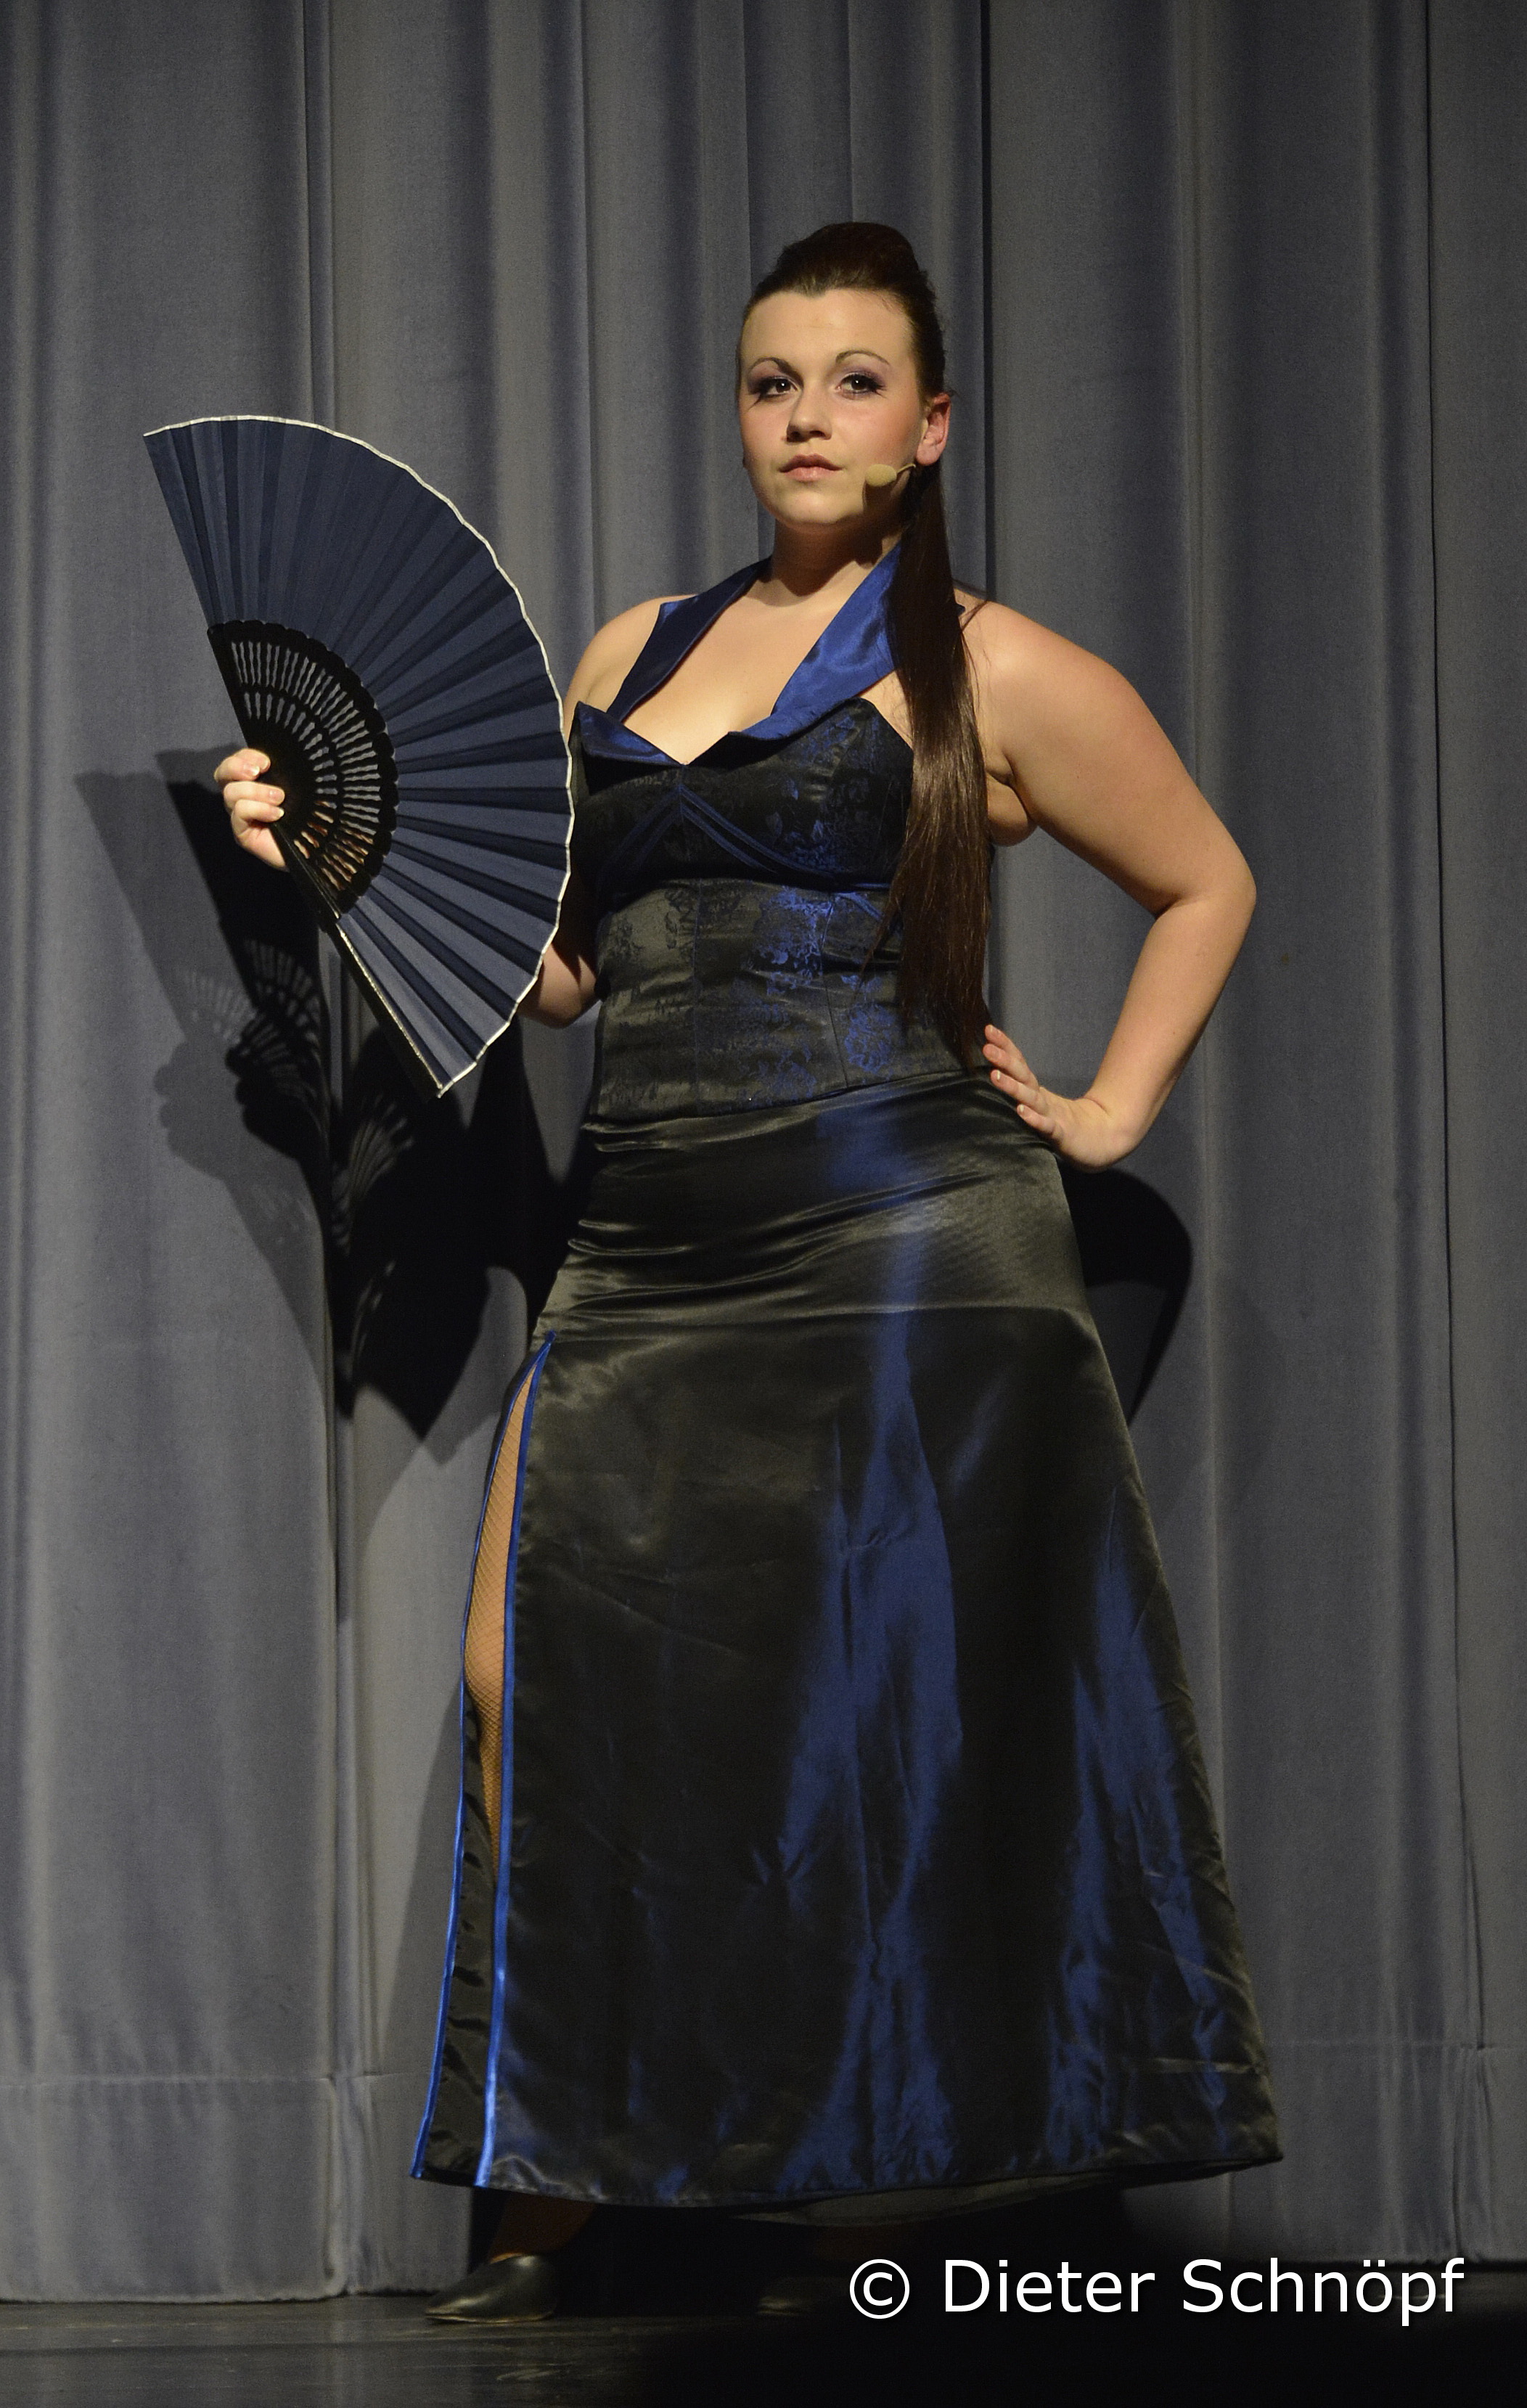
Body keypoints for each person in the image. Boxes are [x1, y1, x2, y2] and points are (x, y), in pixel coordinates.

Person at [216, 221, 1278, 2322]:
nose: (808, 416)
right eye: (774, 380)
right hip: (650, 1240)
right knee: (526, 1681)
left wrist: (1107, 1109)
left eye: (855, 381)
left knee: (853, 1727)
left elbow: (1207, 877)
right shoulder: (630, 650)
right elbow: (561, 976)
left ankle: (849, 2197)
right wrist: (332, 852)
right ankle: (568, 2172)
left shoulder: (992, 665)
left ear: (930, 423)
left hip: (898, 1235)